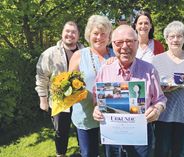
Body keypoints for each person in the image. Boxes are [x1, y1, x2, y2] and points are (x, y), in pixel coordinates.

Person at [93, 25, 167, 157]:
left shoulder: (149, 70)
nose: (125, 47)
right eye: (119, 42)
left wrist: (157, 109)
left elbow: (160, 99)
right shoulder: (105, 70)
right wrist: (96, 109)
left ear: (137, 43)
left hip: (140, 134)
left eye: (130, 41)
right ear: (112, 44)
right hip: (112, 135)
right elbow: (96, 99)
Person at [151, 21, 184, 157]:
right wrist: (164, 89)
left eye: (179, 36)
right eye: (172, 36)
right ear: (166, 39)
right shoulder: (156, 60)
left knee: (180, 152)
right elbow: (152, 87)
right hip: (163, 112)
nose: (175, 39)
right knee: (161, 151)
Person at [35, 21, 84, 157]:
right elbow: (41, 77)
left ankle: (84, 152)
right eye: (67, 31)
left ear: (78, 35)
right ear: (62, 33)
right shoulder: (49, 53)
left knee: (82, 128)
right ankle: (60, 154)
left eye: (74, 32)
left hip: (80, 100)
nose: (70, 34)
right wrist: (43, 99)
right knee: (61, 132)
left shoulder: (84, 52)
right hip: (59, 101)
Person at [68, 15, 115, 157]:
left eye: (103, 34)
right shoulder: (78, 56)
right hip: (85, 115)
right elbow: (68, 86)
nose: (99, 37)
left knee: (112, 153)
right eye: (95, 33)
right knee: (89, 153)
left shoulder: (116, 55)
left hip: (112, 116)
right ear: (89, 34)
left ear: (109, 37)